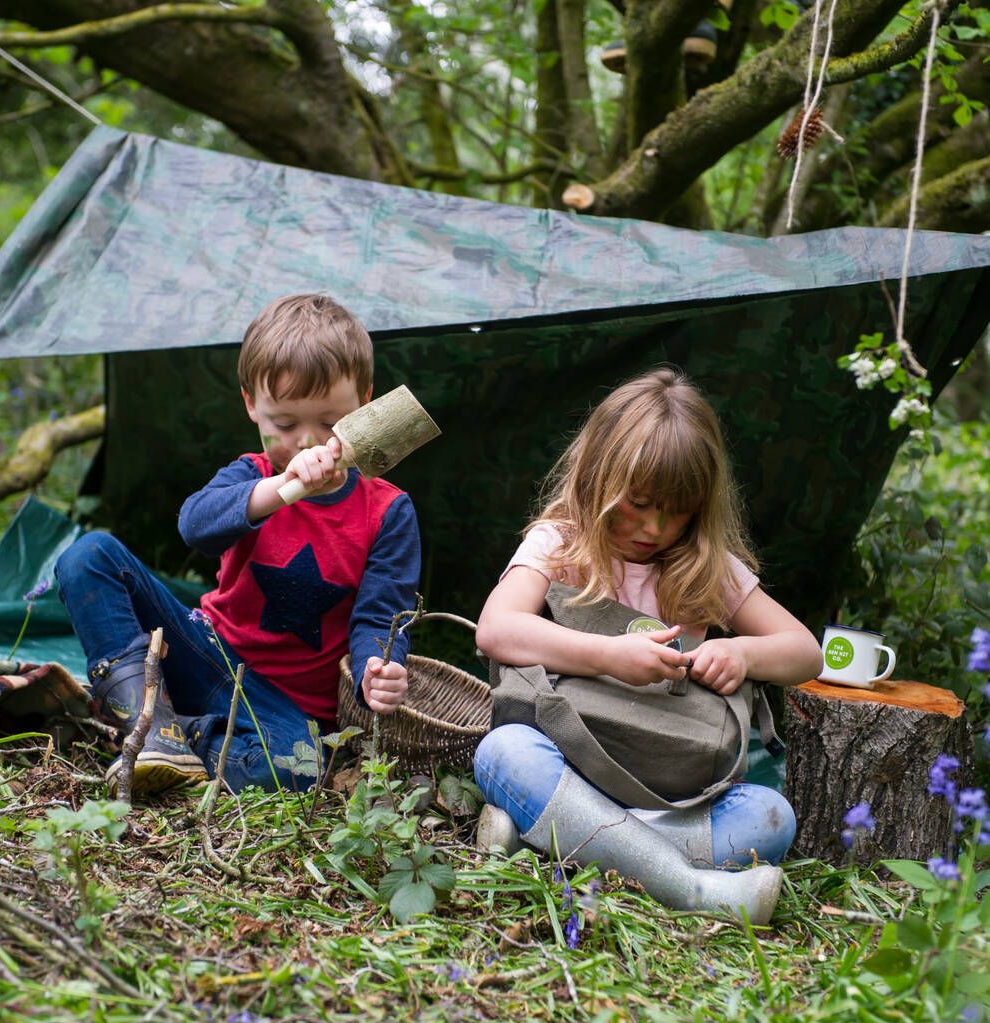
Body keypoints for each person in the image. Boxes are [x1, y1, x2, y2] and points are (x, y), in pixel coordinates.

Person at [473, 368, 822, 924]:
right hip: (571, 765)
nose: (654, 527)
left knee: (769, 815)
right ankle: (691, 888)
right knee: (503, 752)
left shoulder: (707, 567)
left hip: (670, 792)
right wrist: (611, 656)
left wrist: (743, 654)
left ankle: (552, 841)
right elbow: (495, 629)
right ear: (597, 476)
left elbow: (805, 651)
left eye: (676, 509)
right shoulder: (561, 542)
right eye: (637, 503)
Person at [55, 294, 421, 796]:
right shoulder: (252, 476)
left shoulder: (387, 511)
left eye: (331, 422)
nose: (308, 442)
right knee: (87, 556)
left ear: (366, 402)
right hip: (208, 653)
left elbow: (382, 616)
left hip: (286, 708)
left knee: (300, 771)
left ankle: (182, 734)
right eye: (286, 424)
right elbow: (195, 527)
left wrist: (377, 667)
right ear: (251, 404)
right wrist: (280, 489)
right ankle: (151, 724)